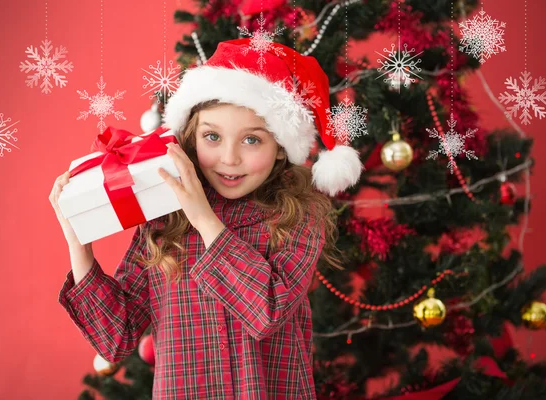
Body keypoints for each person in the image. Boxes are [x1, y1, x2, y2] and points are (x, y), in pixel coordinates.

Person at [49, 38, 363, 399]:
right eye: (212, 136)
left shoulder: (298, 218)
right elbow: (116, 338)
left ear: (280, 148)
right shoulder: (164, 217)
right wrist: (79, 243)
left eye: (252, 141)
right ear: (190, 138)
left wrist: (205, 219)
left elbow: (266, 313)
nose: (229, 158)